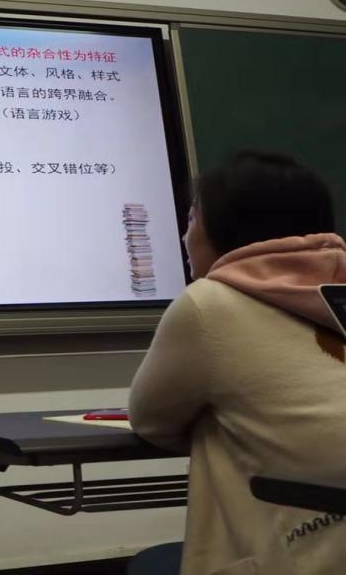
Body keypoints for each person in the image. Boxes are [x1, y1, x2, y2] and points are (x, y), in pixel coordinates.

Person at [129, 150, 346, 575]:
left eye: (192, 217)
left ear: (226, 227)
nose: (184, 236)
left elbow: (151, 421)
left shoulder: (209, 304)